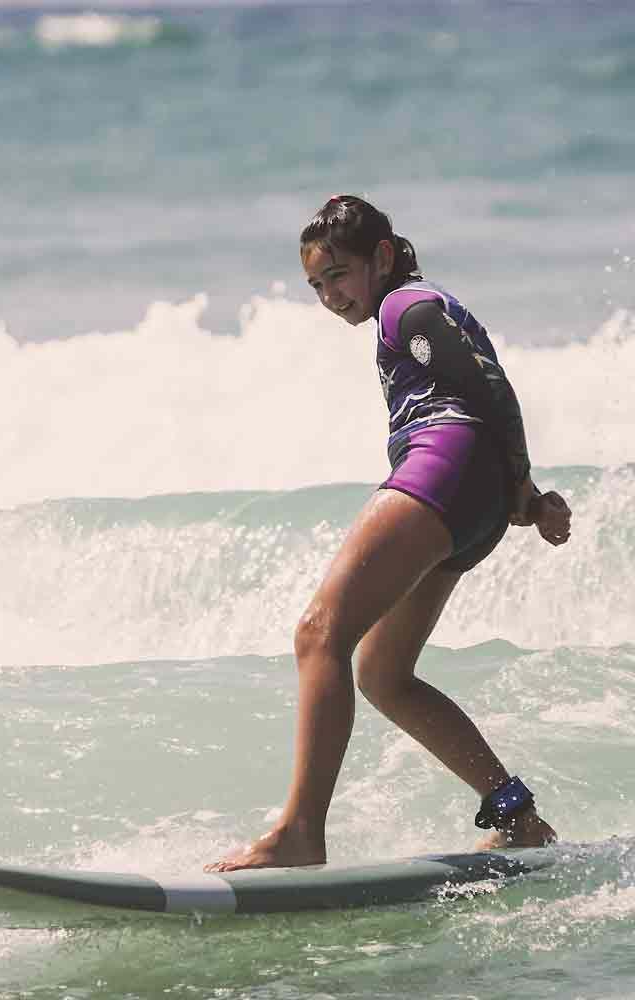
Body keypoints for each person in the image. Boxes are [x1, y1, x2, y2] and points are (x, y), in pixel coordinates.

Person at [205, 195, 572, 873]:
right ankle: (516, 815)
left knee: (319, 634)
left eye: (339, 275)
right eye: (317, 285)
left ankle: (299, 833)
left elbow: (482, 384)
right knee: (382, 673)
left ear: (381, 255)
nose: (330, 295)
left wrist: (521, 482)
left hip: (445, 464)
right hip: (474, 499)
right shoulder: (410, 305)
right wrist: (519, 494)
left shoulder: (405, 305)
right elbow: (489, 394)